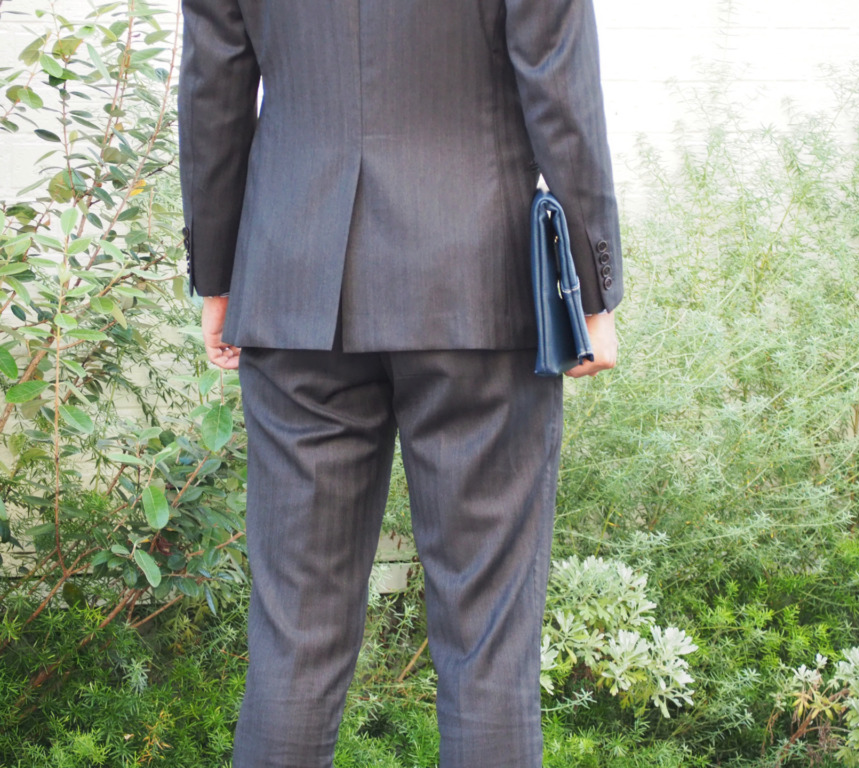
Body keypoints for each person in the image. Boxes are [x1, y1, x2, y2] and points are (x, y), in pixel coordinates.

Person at [178, 0, 622, 765]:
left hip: (294, 284)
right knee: (488, 642)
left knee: (294, 637)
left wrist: (217, 278)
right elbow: (558, 80)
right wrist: (589, 286)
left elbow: (213, 84)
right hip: (476, 288)